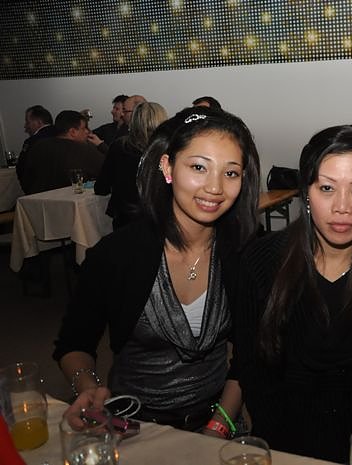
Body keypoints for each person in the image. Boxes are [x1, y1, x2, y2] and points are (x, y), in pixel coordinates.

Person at [53, 106, 261, 435]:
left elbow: (249, 353)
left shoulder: (243, 252)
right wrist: (88, 387)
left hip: (219, 418)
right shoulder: (117, 254)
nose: (215, 187)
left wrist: (220, 424)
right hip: (133, 425)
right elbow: (74, 342)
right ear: (167, 167)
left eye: (231, 173)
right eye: (199, 167)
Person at [232, 125, 352, 462]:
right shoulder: (261, 261)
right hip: (285, 445)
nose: (342, 207)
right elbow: (253, 370)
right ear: (306, 192)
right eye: (327, 188)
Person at [94, 101, 168, 229]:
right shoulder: (169, 147)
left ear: (134, 121)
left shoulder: (119, 146)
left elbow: (101, 187)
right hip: (161, 216)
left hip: (125, 217)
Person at [18, 110, 105, 194]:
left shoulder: (38, 146)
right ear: (73, 132)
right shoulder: (84, 149)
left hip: (37, 200)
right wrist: (102, 146)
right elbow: (106, 170)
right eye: (83, 128)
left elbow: (25, 176)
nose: (87, 131)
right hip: (73, 200)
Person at [16, 105, 56, 176]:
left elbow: (21, 168)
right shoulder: (62, 135)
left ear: (39, 122)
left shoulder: (31, 141)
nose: (25, 126)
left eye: (28, 122)